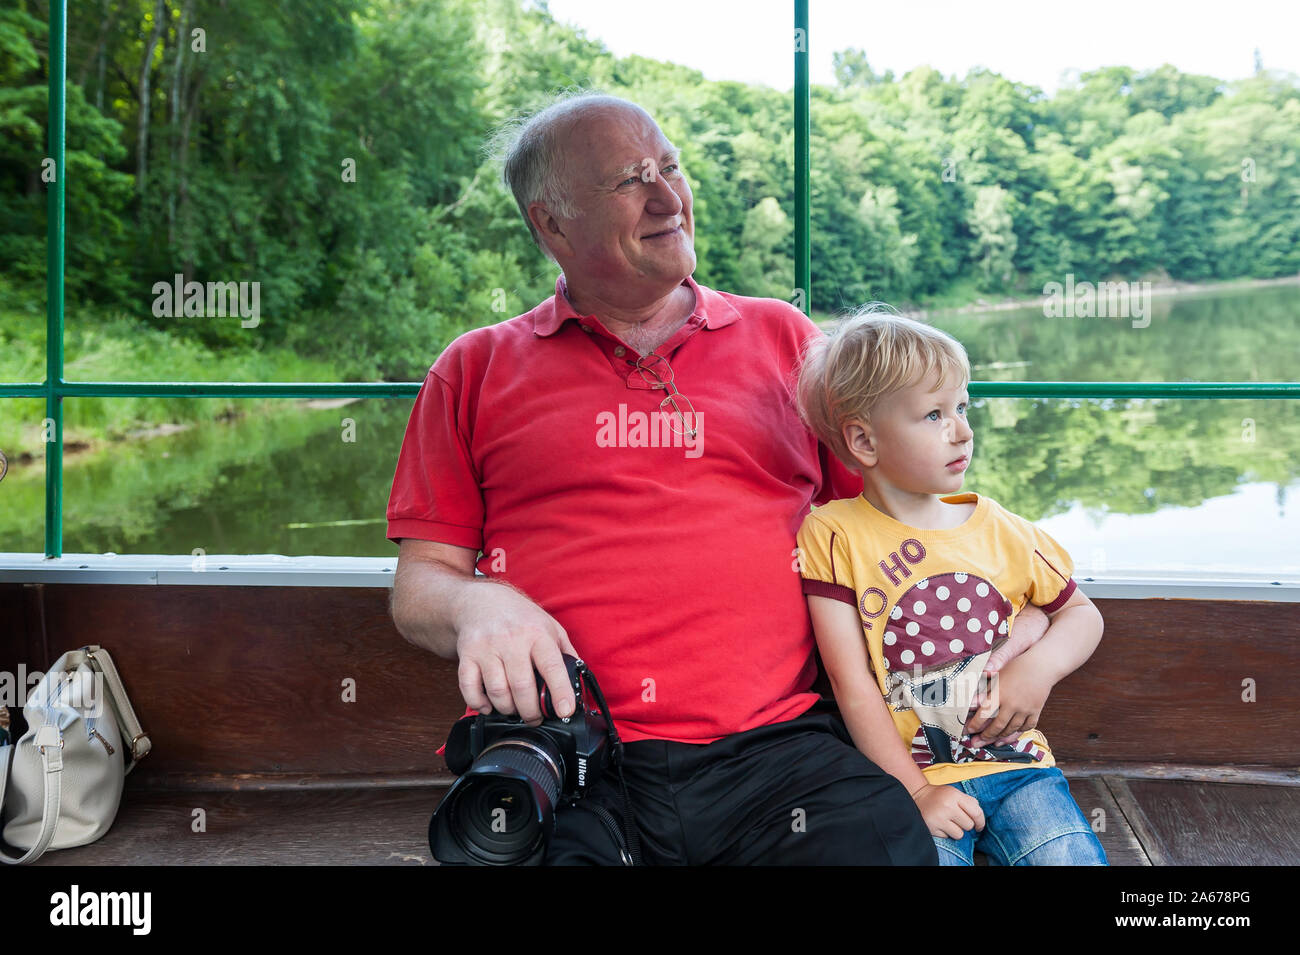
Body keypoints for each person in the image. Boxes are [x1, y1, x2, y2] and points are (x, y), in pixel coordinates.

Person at [386, 90, 1045, 865]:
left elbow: (907, 529)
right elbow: (419, 586)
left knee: (883, 846)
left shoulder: (789, 344)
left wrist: (1034, 633)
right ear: (551, 222)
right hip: (570, 758)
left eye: (670, 167)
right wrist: (477, 602)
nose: (669, 197)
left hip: (782, 754)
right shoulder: (474, 369)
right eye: (630, 181)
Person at [794, 308, 1108, 865]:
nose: (962, 430)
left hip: (1020, 771)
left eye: (962, 407)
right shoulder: (833, 533)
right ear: (864, 441)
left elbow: (1081, 614)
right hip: (910, 782)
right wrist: (915, 792)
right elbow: (851, 680)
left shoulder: (1003, 529)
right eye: (934, 414)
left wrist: (1035, 671)